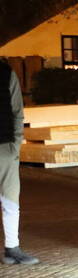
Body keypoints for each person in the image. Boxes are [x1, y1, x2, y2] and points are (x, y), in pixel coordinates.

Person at [0, 62, 37, 265]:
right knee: (10, 201)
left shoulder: (6, 72)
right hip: (6, 145)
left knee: (11, 200)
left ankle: (12, 248)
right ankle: (12, 249)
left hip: (5, 146)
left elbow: (17, 110)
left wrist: (15, 143)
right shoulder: (6, 72)